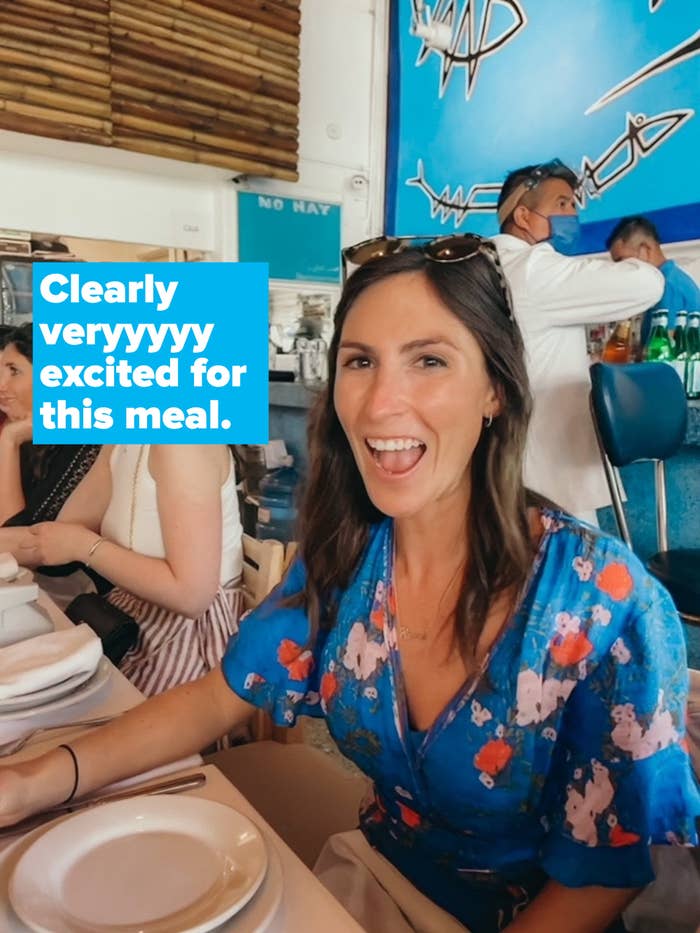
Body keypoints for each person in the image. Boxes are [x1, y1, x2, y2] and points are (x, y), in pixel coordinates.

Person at [1, 239, 698, 933]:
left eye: (429, 359)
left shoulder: (604, 598)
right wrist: (36, 779)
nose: (380, 402)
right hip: (374, 884)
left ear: (494, 388)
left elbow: (604, 873)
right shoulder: (350, 554)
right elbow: (216, 698)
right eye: (360, 361)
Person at [492, 160, 665, 524]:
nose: (573, 214)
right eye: (562, 204)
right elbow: (647, 283)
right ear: (523, 215)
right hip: (551, 476)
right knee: (562, 570)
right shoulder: (534, 268)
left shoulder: (487, 266)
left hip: (504, 465)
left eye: (574, 205)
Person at [18, 443, 244, 696]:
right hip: (131, 615)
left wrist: (83, 546)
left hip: (188, 636)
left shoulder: (185, 443)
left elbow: (192, 597)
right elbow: (53, 538)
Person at [0, 324, 102, 602]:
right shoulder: (29, 431)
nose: (1, 385)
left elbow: (20, 542)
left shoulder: (87, 441)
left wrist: (8, 441)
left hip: (70, 597)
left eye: (14, 371)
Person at [607, 215, 700, 344]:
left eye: (621, 261)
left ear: (645, 249)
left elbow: (663, 352)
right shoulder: (666, 281)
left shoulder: (668, 287)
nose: (620, 270)